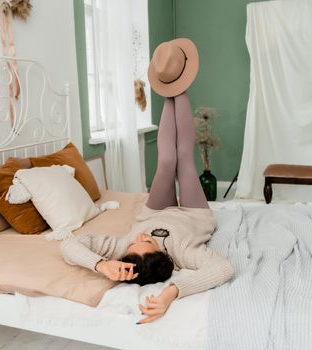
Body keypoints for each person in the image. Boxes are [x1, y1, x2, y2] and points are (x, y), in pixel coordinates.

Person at [60, 38, 234, 324]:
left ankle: (169, 87)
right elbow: (223, 269)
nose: (139, 236)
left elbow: (69, 245)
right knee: (184, 159)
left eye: (133, 243)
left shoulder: (122, 250)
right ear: (162, 256)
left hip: (154, 210)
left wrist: (102, 265)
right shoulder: (184, 253)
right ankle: (182, 85)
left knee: (166, 162)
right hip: (194, 215)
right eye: (148, 242)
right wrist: (171, 293)